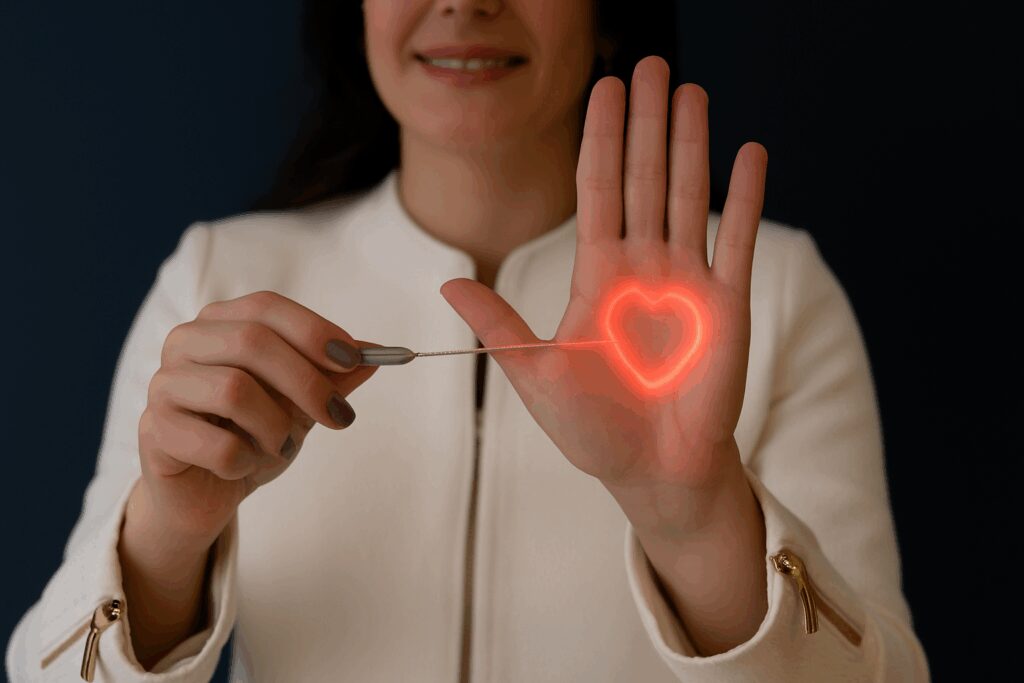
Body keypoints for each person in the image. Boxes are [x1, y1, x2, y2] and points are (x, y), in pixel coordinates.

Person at [6, 0, 931, 681]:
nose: (462, 3)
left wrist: (695, 521)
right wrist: (170, 532)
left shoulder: (768, 294)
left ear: (609, 14)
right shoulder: (217, 282)